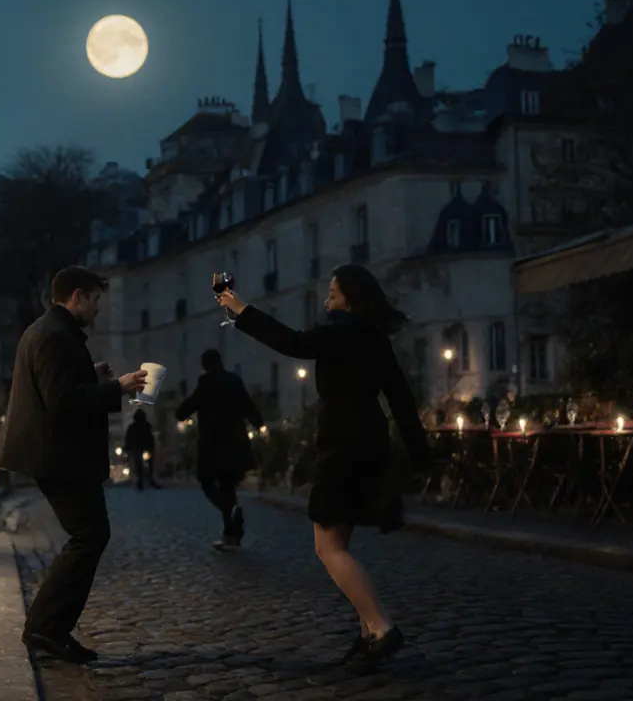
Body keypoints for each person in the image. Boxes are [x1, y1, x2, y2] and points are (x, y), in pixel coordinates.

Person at [216, 264, 429, 672]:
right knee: (340, 543)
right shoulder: (375, 339)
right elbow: (401, 399)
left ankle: (382, 628)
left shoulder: (339, 334)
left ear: (350, 296)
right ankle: (368, 635)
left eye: (333, 291)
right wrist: (420, 454)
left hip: (343, 447)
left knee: (327, 545)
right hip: (370, 442)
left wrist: (241, 309)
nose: (327, 296)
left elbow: (291, 342)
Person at [0, 266, 148, 664]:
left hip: (55, 453)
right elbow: (62, 402)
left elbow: (58, 387)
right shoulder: (56, 337)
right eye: (96, 299)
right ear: (77, 296)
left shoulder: (48, 330)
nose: (99, 309)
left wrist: (91, 375)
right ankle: (46, 628)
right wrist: (120, 388)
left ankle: (47, 627)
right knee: (89, 535)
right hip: (57, 454)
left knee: (89, 535)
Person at [175, 349, 264, 550]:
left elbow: (189, 406)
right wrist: (260, 425)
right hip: (235, 443)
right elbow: (248, 405)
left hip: (213, 445)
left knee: (207, 483)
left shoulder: (206, 383)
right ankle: (231, 535)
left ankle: (230, 512)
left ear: (205, 365)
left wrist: (180, 412)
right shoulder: (233, 380)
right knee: (227, 486)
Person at [124, 409, 161, 491]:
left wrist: (127, 448)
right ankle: (146, 480)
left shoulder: (134, 426)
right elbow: (150, 438)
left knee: (140, 464)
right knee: (145, 464)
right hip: (142, 448)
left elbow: (128, 438)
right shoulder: (145, 425)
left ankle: (143, 480)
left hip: (141, 448)